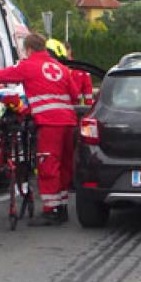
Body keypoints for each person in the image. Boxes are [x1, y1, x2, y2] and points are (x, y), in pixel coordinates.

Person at [0, 33, 79, 225]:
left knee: (48, 165)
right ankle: (62, 206)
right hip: (69, 122)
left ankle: (51, 210)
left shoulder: (28, 65)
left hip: (50, 124)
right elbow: (73, 95)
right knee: (64, 165)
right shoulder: (61, 68)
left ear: (29, 49)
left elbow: (0, 75)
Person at [48, 38, 91, 214]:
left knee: (61, 156)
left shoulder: (59, 70)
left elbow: (86, 97)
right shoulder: (80, 72)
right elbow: (87, 99)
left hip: (66, 117)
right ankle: (68, 184)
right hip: (75, 117)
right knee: (70, 155)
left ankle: (61, 187)